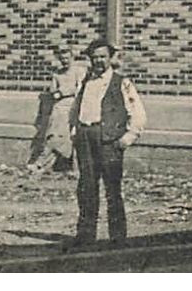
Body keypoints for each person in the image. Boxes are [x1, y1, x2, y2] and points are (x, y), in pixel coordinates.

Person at [70, 38, 146, 248]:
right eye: (94, 58)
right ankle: (86, 235)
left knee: (112, 189)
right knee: (86, 188)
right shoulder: (85, 81)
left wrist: (128, 137)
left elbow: (137, 113)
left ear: (110, 58)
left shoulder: (122, 82)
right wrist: (75, 131)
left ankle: (117, 237)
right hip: (86, 139)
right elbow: (76, 108)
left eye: (102, 57)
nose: (98, 61)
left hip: (109, 141)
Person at [28, 46, 85, 173]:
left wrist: (65, 92)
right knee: (53, 135)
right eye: (62, 59)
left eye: (67, 58)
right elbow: (52, 91)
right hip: (58, 108)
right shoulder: (57, 74)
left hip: (72, 107)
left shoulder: (78, 71)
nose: (65, 61)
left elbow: (80, 90)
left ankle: (43, 164)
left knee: (68, 137)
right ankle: (42, 164)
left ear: (72, 58)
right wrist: (57, 93)